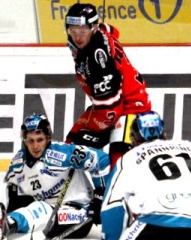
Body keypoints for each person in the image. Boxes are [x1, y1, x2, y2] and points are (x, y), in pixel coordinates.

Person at [83, 111, 191, 240]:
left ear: (134, 138)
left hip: (159, 219)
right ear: (164, 134)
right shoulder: (188, 146)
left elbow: (114, 205)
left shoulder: (129, 158)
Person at [64, 3, 152, 169]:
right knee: (70, 146)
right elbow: (112, 30)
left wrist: (93, 132)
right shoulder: (100, 31)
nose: (78, 37)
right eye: (73, 31)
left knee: (119, 167)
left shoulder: (97, 60)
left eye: (83, 31)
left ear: (93, 28)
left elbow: (111, 111)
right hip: (112, 102)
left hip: (130, 107)